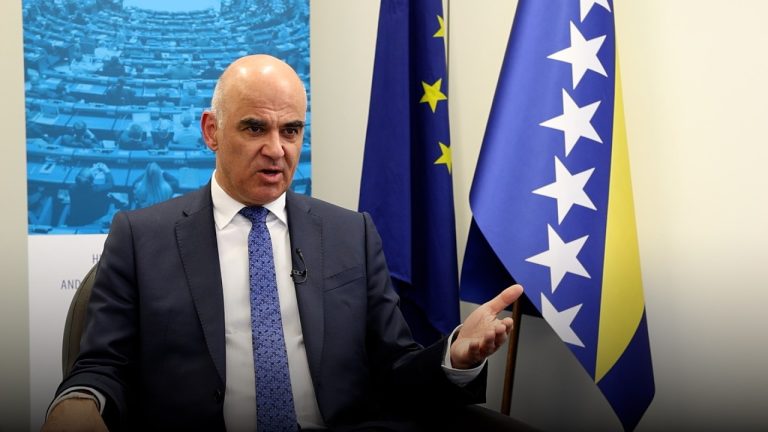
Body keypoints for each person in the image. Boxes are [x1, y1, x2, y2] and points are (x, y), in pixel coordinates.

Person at [42, 55, 524, 431]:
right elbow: (102, 365)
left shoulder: (351, 234)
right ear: (211, 131)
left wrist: (454, 355)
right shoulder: (140, 237)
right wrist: (79, 403)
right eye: (255, 128)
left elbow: (394, 367)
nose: (276, 149)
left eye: (291, 130)